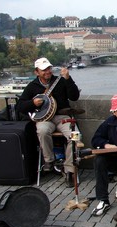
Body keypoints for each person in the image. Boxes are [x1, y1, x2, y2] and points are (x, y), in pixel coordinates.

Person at [17, 57, 81, 187]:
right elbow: (20, 106)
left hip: (62, 117)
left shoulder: (60, 81)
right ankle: (49, 161)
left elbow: (74, 96)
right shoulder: (32, 87)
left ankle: (69, 169)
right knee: (42, 130)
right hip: (45, 119)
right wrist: (32, 103)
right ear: (37, 72)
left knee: (75, 136)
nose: (47, 71)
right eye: (44, 70)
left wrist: (68, 79)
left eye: (48, 68)